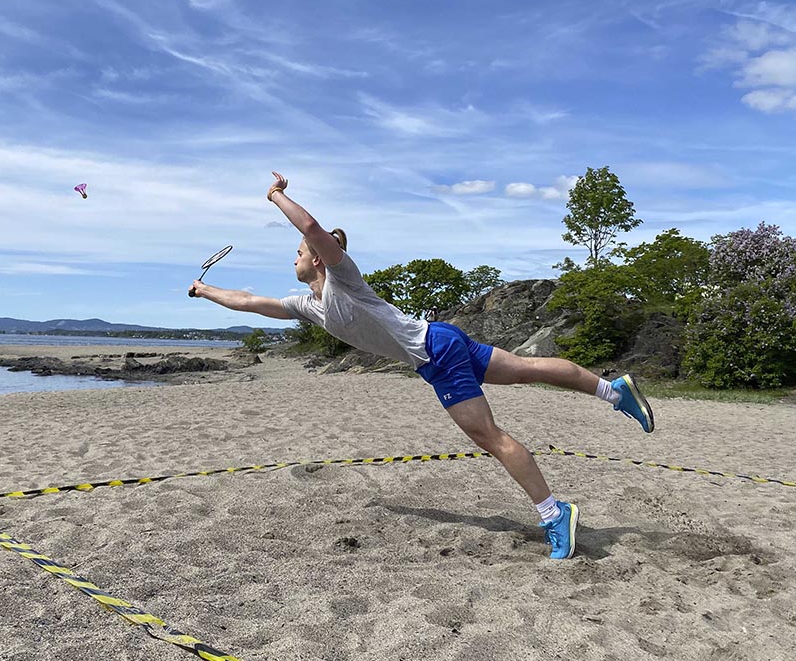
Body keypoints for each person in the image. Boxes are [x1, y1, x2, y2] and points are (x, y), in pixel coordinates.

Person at [189, 172, 655, 560]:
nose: (294, 256)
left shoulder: (343, 279)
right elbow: (251, 301)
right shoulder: (310, 306)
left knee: (489, 436)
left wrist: (275, 196)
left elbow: (311, 227)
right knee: (528, 368)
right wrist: (206, 291)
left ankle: (555, 515)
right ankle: (615, 392)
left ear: (318, 258)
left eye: (298, 253)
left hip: (435, 353)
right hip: (440, 339)